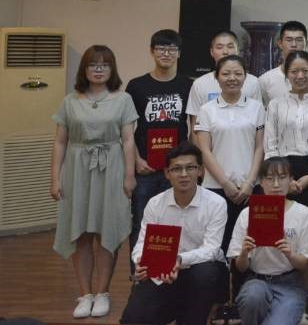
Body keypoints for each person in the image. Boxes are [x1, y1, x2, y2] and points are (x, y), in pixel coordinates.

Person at [51, 45, 138, 319]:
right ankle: (85, 294)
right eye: (93, 64)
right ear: (84, 69)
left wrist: (129, 175)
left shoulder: (123, 99)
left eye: (104, 65)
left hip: (111, 167)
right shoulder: (70, 101)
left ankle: (102, 293)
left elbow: (128, 140)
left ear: (112, 69)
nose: (98, 70)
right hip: (77, 169)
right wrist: (55, 178)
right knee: (80, 234)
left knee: (106, 231)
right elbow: (60, 141)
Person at [120, 142, 228, 325]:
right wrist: (140, 262)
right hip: (163, 273)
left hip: (201, 272)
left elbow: (211, 249)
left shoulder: (216, 203)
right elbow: (142, 243)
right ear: (167, 173)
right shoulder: (155, 204)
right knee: (133, 319)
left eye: (190, 167)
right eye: (177, 169)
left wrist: (178, 260)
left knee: (205, 272)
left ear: (200, 171)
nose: (184, 174)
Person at [125, 29, 192, 275]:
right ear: (152, 52)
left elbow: (194, 127)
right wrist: (136, 160)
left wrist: (190, 163)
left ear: (179, 53)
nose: (166, 53)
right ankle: (141, 276)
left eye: (172, 49)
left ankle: (170, 273)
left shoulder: (188, 85)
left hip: (177, 169)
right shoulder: (136, 86)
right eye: (161, 48)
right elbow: (127, 129)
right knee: (142, 223)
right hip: (146, 169)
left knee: (176, 222)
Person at [228, 157, 308, 325]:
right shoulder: (247, 214)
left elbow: (305, 264)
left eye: (282, 177)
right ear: (261, 182)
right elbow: (240, 267)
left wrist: (289, 254)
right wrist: (245, 252)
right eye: (269, 178)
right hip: (256, 280)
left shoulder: (303, 213)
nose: (276, 184)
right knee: (252, 297)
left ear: (291, 180)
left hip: (290, 283)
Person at [194, 55, 266, 255]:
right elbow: (204, 150)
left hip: (249, 187)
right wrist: (225, 183)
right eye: (226, 73)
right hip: (215, 188)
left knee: (249, 244)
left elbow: (260, 147)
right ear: (217, 77)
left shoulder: (257, 108)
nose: (232, 78)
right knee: (218, 245)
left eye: (238, 73)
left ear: (245, 77)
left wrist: (250, 183)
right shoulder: (206, 110)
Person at [264, 50, 308, 211]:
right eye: (294, 71)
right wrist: (285, 179)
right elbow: (270, 145)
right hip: (283, 173)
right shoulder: (275, 104)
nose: (300, 76)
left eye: (305, 71)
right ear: (286, 74)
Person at [186, 30, 262, 137]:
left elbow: (258, 123)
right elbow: (195, 129)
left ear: (238, 50)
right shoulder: (200, 84)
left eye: (230, 46)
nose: (225, 51)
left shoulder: (253, 82)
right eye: (219, 47)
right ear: (212, 52)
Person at [259, 21, 308, 107]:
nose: (294, 45)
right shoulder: (266, 80)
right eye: (289, 40)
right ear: (280, 43)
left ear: (306, 44)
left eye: (299, 40)